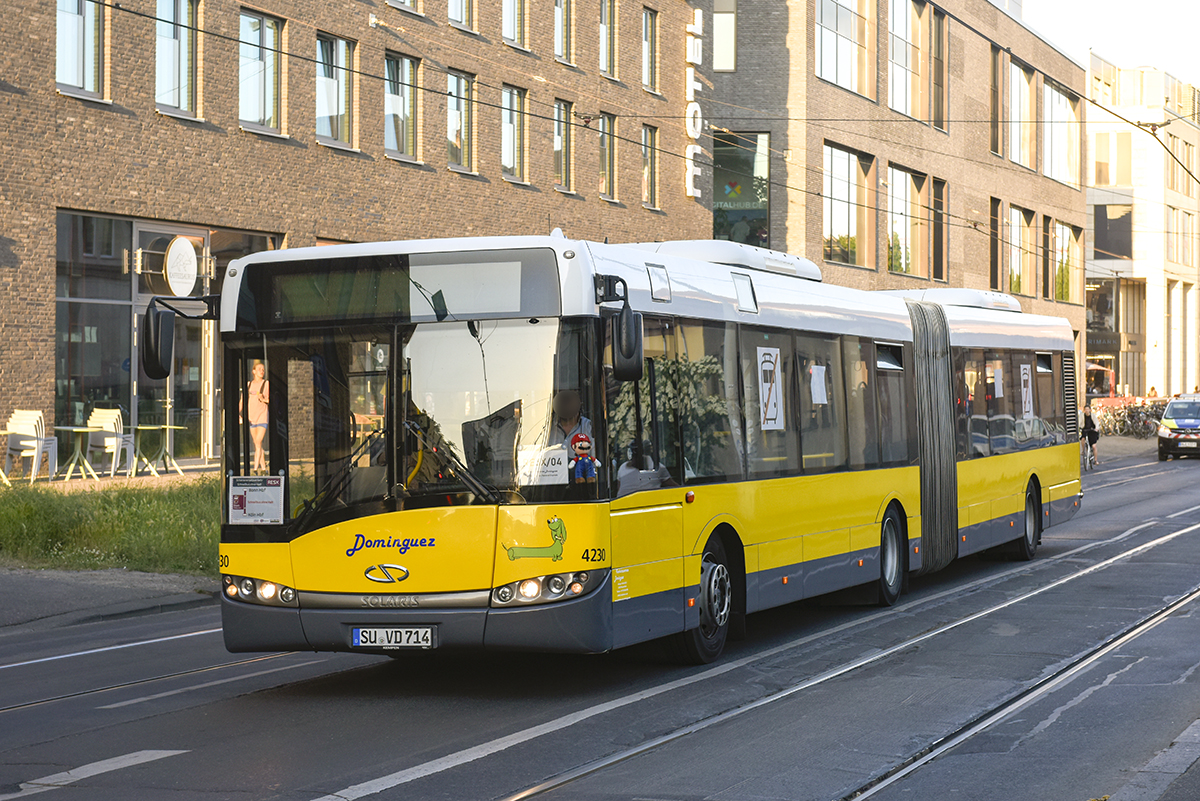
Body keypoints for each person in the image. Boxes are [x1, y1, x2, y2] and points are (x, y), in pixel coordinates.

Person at [240, 361, 270, 474]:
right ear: (253, 371)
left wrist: (263, 399)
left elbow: (271, 399)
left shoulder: (266, 384)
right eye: (259, 369)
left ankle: (255, 469)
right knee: (257, 444)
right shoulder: (248, 385)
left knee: (258, 441)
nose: (262, 371)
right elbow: (242, 401)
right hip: (251, 417)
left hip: (262, 416)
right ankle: (264, 469)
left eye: (263, 369)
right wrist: (238, 413)